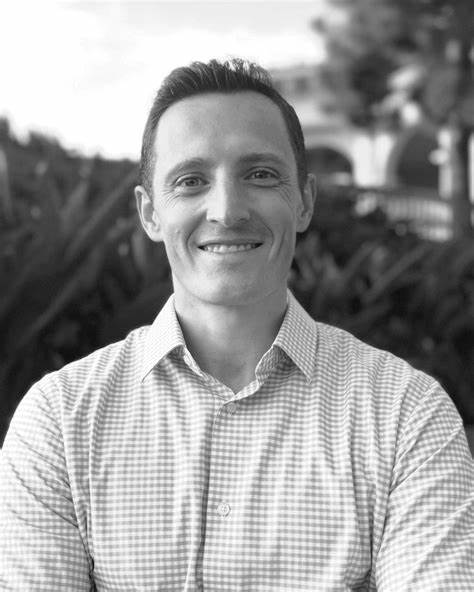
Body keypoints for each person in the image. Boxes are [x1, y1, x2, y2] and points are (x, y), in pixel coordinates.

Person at [0, 58, 473, 592]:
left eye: (260, 175)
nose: (227, 210)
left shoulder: (406, 416)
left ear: (304, 202)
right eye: (191, 181)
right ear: (150, 213)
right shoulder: (61, 423)